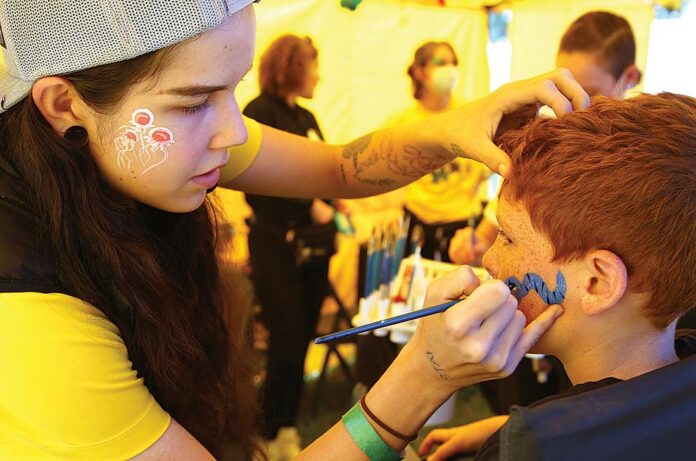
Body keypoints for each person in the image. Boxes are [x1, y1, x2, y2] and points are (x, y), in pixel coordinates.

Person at [0, 1, 590, 460]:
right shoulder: (28, 317)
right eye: (193, 103)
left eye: (233, 89)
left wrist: (451, 128)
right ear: (63, 104)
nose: (233, 133)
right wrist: (422, 376)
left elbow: (337, 166)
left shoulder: (133, 139)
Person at [419, 93, 696, 461]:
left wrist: (423, 376)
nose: (489, 259)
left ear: (597, 283)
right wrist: (505, 427)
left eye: (508, 238)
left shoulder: (533, 448)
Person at [449, 10, 642, 266]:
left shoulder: (641, 159)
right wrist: (474, 245)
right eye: (565, 88)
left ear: (629, 78)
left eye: (590, 92)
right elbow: (487, 237)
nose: (575, 104)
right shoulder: (550, 144)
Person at [242, 34, 334, 460]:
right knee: (286, 338)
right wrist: (308, 203)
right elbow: (255, 180)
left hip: (315, 249)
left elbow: (324, 169)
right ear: (293, 66)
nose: (318, 74)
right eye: (314, 65)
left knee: (303, 340)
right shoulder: (259, 111)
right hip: (276, 244)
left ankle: (288, 428)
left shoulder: (309, 116)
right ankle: (265, 430)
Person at [387, 41, 492, 262]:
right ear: (420, 72)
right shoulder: (402, 123)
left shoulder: (470, 113)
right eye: (441, 62)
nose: (450, 69)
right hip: (418, 224)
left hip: (462, 227)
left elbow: (489, 162)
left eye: (453, 62)